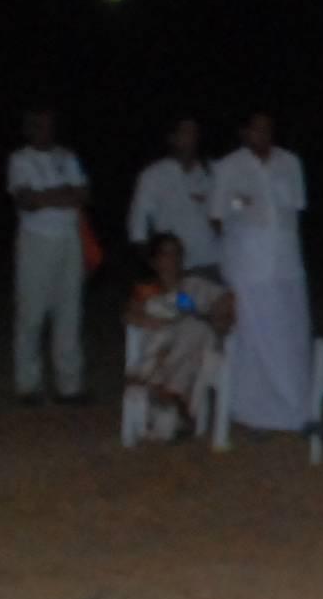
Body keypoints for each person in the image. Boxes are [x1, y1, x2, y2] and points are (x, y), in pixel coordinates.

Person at [212, 111, 312, 433]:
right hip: (249, 267)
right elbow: (218, 215)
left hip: (286, 265)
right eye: (256, 129)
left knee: (291, 336)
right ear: (244, 133)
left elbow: (295, 209)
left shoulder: (290, 163)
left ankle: (296, 408)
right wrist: (242, 211)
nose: (263, 135)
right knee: (254, 341)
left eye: (267, 129)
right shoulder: (228, 167)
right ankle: (254, 413)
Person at [6, 105, 91, 404]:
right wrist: (64, 193)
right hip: (36, 240)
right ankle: (28, 385)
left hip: (69, 238)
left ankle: (70, 385)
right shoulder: (20, 159)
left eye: (48, 124)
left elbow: (84, 195)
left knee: (70, 312)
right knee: (31, 314)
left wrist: (48, 196)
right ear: (27, 128)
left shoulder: (67, 156)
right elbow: (26, 200)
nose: (45, 130)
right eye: (38, 124)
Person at [124, 232, 234, 444]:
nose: (172, 259)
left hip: (186, 352)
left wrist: (220, 317)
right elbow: (129, 314)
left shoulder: (194, 285)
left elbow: (227, 300)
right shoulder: (147, 290)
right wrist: (148, 319)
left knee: (196, 328)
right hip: (160, 349)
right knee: (191, 329)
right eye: (166, 254)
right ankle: (174, 400)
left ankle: (168, 394)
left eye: (176, 253)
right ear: (154, 261)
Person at [127, 116, 220, 273]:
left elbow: (233, 205)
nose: (191, 138)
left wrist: (239, 205)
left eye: (194, 132)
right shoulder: (153, 175)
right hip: (176, 268)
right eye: (185, 132)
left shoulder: (212, 171)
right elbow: (138, 225)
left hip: (212, 261)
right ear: (172, 138)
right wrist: (153, 264)